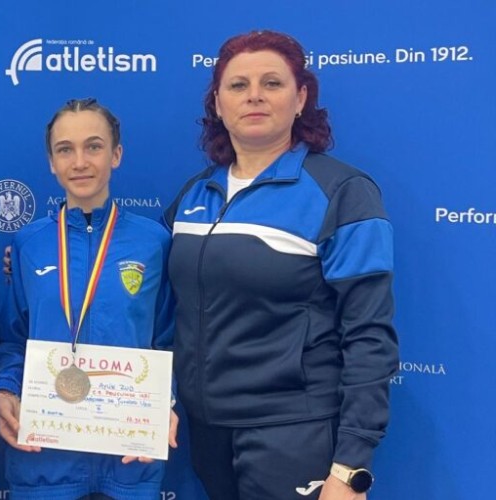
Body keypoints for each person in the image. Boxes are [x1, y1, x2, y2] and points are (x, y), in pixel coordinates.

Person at [161, 30, 399, 500]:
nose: (254, 95)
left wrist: (351, 465)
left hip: (293, 433)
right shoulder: (194, 194)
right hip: (206, 433)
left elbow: (369, 335)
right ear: (218, 104)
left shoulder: (342, 192)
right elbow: (152, 295)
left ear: (301, 98)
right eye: (238, 85)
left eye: (272, 83)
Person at [0, 98, 178, 500]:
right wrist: (5, 391)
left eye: (93, 146)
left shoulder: (153, 242)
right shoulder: (29, 243)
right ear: (51, 162)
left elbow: (169, 339)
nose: (80, 162)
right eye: (65, 149)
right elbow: (13, 339)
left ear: (116, 154)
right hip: (45, 462)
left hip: (130, 458)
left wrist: (167, 399)